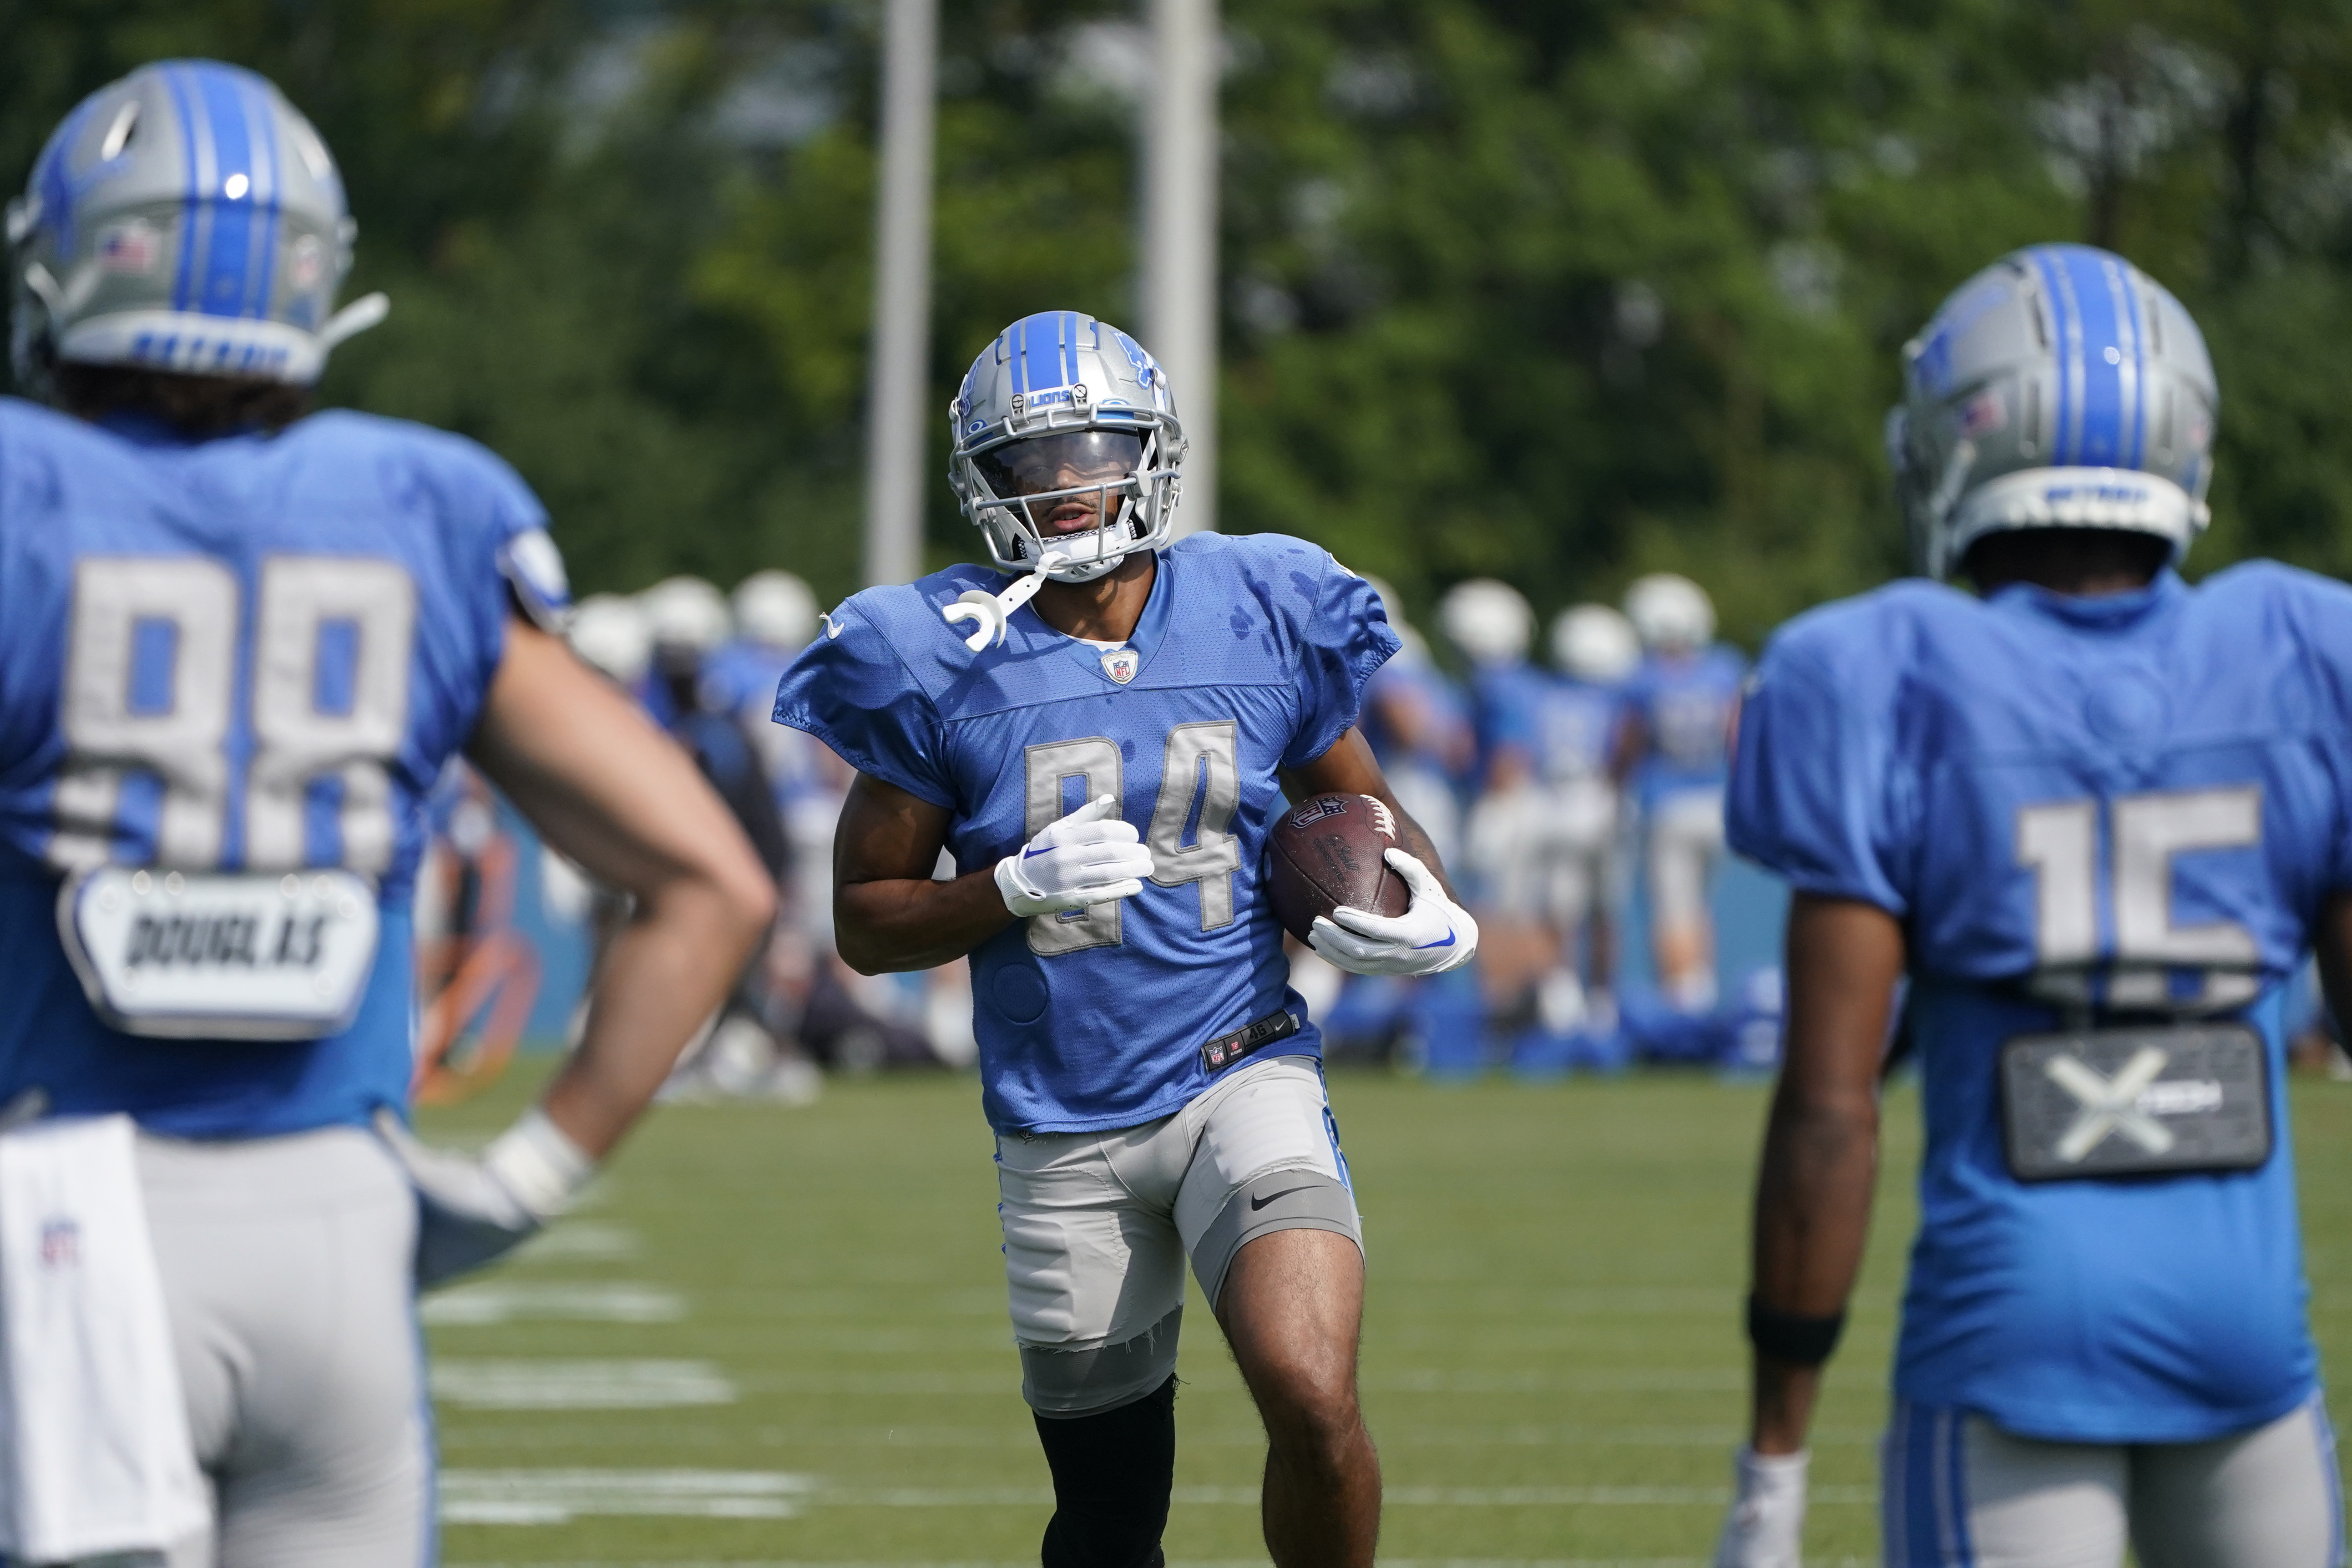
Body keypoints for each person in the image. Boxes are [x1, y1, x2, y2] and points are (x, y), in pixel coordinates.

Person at [0, 61, 773, 1565]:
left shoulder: (28, 498)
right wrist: (524, 1177)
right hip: (338, 1216)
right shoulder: (417, 503)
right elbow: (708, 881)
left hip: (61, 1212)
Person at [773, 309, 1477, 1568]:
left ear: (1149, 448)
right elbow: (863, 923)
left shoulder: (1262, 604)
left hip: (1243, 1068)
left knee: (1311, 1393)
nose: (1064, 485)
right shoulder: (937, 652)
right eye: (1030, 463)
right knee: (1108, 1520)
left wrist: (1414, 903)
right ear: (983, 485)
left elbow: (1365, 811)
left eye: (1090, 449)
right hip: (1063, 1127)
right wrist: (1010, 886)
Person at [1714, 243, 2347, 1568]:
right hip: (2252, 1336)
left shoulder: (1879, 665)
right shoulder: (2302, 644)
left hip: (2011, 1328)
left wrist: (1772, 1460)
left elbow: (1831, 1108)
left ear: (1956, 440)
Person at [1619, 572, 1743, 1013]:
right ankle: (1702, 992)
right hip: (1716, 802)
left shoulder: (1644, 678)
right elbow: (1737, 737)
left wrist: (1613, 783)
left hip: (1667, 803)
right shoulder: (1724, 667)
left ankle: (1682, 1004)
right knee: (1700, 904)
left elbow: (1627, 746)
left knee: (1674, 909)